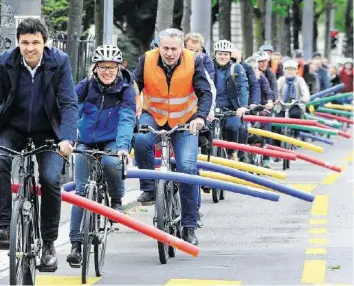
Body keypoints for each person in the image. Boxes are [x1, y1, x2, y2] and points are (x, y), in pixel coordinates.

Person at [0, 18, 78, 271]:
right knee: (0, 159)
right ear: (18, 43)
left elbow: (68, 102)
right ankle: (3, 226)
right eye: (24, 42)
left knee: (50, 178)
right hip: (14, 126)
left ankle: (48, 244)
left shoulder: (59, 62)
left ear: (46, 43)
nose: (30, 48)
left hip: (49, 131)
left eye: (35, 42)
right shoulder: (5, 61)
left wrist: (67, 138)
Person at [134, 28, 212, 245]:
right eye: (165, 48)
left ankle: (189, 225)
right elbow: (133, 88)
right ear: (159, 46)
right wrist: (132, 109)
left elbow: (205, 93)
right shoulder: (146, 60)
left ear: (182, 48)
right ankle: (149, 188)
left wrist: (201, 117)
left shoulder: (194, 61)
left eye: (174, 49)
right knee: (140, 140)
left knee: (187, 168)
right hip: (154, 114)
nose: (169, 53)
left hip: (185, 119)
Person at [66, 45, 136, 266]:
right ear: (95, 68)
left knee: (110, 161)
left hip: (113, 140)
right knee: (80, 191)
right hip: (86, 141)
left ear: (118, 68)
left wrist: (123, 146)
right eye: (103, 67)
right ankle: (76, 245)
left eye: (112, 67)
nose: (107, 71)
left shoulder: (125, 89)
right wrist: (68, 138)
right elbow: (71, 111)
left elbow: (126, 118)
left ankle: (116, 199)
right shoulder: (85, 87)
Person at [213, 40, 249, 161]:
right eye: (220, 54)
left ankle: (231, 153)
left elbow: (243, 87)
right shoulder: (209, 67)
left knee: (233, 127)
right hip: (211, 108)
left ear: (230, 56)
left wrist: (243, 106)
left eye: (226, 54)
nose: (222, 57)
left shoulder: (236, 68)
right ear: (215, 54)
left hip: (231, 109)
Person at [245, 56, 275, 168]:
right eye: (252, 69)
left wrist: (270, 102)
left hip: (261, 108)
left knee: (266, 126)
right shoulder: (243, 79)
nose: (255, 71)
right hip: (245, 109)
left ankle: (267, 158)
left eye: (256, 68)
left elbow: (268, 91)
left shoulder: (262, 78)